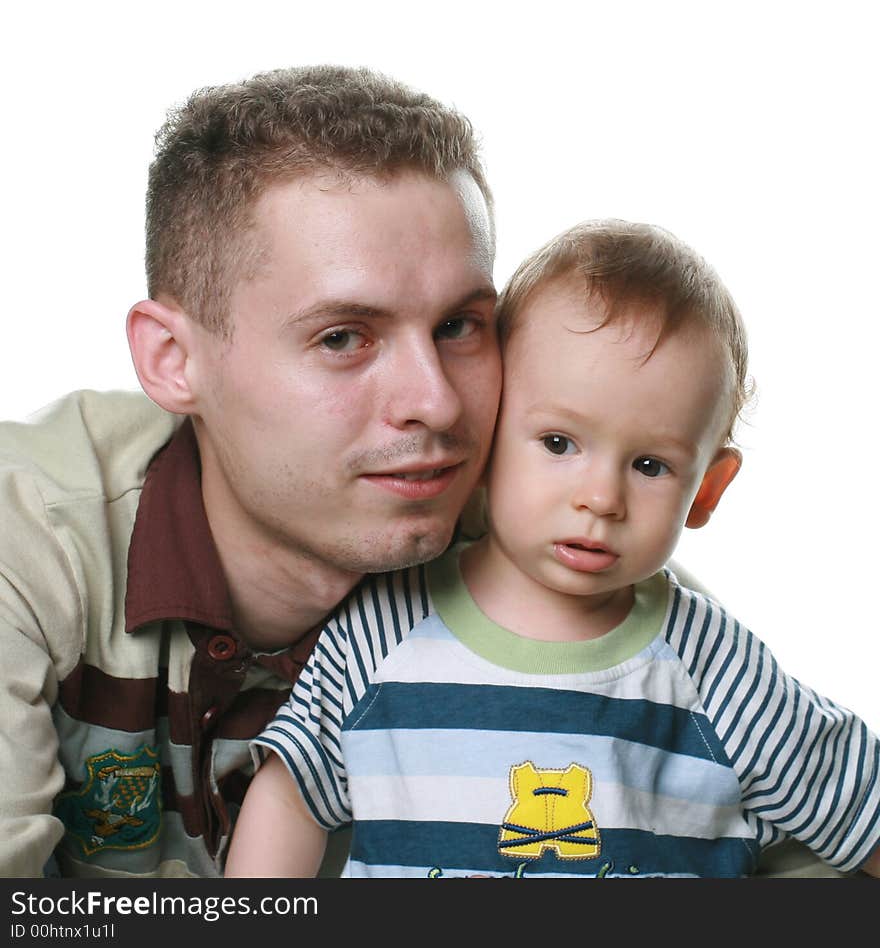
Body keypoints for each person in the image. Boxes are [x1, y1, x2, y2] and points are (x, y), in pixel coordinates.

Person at [226, 219, 880, 879]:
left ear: (707, 489)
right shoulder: (385, 628)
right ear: (483, 436)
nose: (601, 498)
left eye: (650, 465)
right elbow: (292, 796)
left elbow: (861, 805)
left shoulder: (716, 671)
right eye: (560, 444)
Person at [0, 64, 503, 877]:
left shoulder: (545, 546)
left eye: (460, 326)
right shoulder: (27, 537)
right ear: (173, 360)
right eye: (343, 336)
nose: (437, 405)